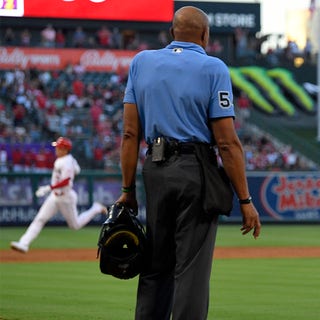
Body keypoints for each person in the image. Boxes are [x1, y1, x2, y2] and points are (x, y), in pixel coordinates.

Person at [117, 6, 261, 320]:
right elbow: (226, 141)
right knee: (191, 271)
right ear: (206, 36)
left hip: (154, 170)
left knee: (155, 265)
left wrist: (128, 189)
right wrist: (245, 199)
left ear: (172, 32)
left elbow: (130, 133)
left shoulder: (141, 62)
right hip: (195, 170)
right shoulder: (213, 67)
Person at [10, 137, 107, 253]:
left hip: (66, 197)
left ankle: (95, 208)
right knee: (40, 219)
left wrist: (49, 187)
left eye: (59, 147)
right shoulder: (68, 159)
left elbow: (67, 180)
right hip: (55, 197)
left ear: (65, 149)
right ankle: (23, 244)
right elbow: (77, 169)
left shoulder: (66, 162)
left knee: (75, 225)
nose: (56, 149)